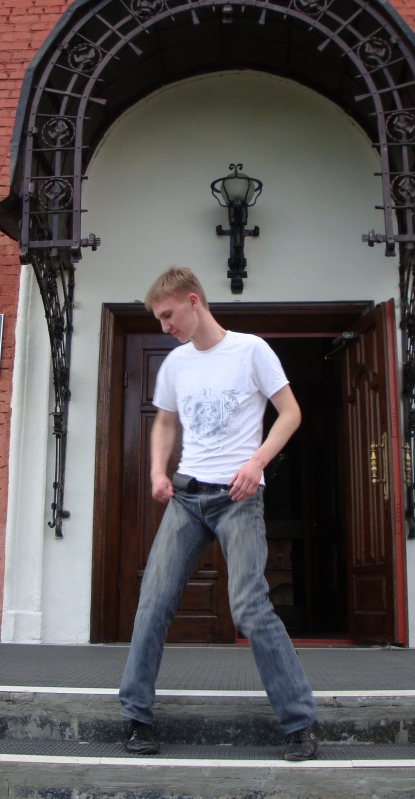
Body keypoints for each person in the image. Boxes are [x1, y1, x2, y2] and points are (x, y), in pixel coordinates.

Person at [119, 267, 320, 761]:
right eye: (159, 319)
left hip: (238, 497)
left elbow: (291, 412)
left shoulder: (251, 350)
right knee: (153, 602)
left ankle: (299, 722)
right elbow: (165, 422)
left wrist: (257, 462)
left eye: (168, 315)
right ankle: (136, 717)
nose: (164, 326)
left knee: (249, 605)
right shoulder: (175, 363)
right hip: (187, 498)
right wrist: (157, 471)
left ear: (194, 301)